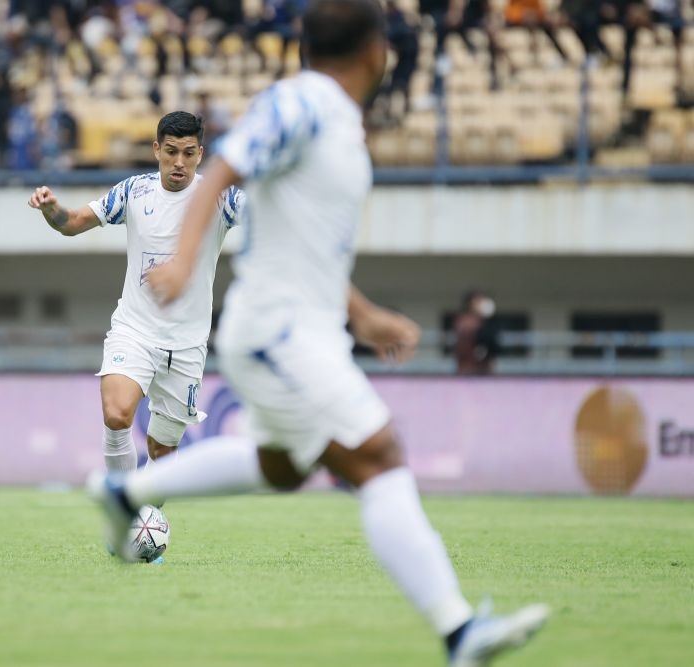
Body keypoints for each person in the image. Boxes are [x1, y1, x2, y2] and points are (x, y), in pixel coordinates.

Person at [89, 3, 548, 666]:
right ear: (373, 51)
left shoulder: (334, 119)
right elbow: (221, 171)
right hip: (279, 330)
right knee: (380, 455)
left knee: (281, 467)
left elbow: (306, 243)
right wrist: (187, 259)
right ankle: (457, 630)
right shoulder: (301, 103)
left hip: (303, 326)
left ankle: (121, 493)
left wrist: (362, 315)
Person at [29, 111, 243, 478]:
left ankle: (149, 520)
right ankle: (123, 510)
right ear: (156, 149)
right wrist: (53, 211)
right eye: (171, 151)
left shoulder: (220, 197)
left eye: (189, 153)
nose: (179, 162)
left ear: (200, 154)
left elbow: (266, 219)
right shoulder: (133, 191)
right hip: (135, 331)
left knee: (162, 447)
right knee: (116, 415)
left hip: (187, 344)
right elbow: (74, 222)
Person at [453, 290, 499, 375]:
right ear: (470, 303)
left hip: (485, 370)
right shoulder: (464, 322)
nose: (482, 304)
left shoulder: (486, 321)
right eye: (478, 301)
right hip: (468, 370)